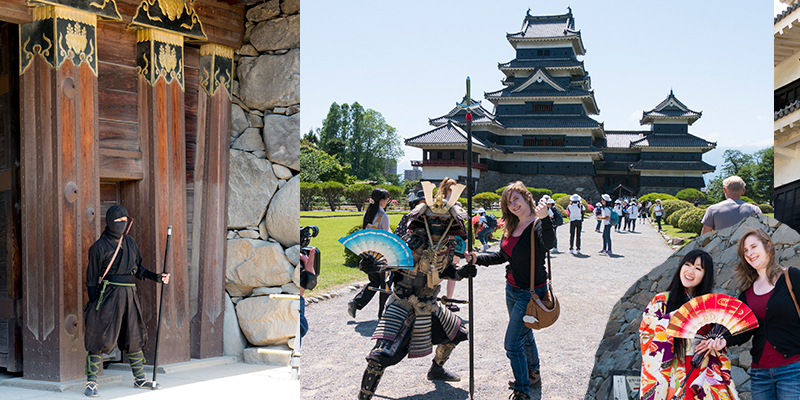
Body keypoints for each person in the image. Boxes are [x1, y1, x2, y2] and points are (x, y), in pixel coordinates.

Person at [357, 178, 476, 400]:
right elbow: (393, 261)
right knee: (380, 355)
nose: (439, 225)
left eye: (444, 221)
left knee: (457, 333)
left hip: (430, 304)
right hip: (403, 303)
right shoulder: (413, 240)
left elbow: (447, 271)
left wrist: (462, 273)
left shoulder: (448, 244)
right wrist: (375, 265)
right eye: (435, 220)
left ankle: (436, 369)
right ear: (424, 219)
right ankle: (364, 396)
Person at [465, 181, 554, 400]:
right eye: (508, 201)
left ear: (527, 198)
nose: (513, 204)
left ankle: (522, 390)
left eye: (516, 199)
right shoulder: (512, 225)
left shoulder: (537, 224)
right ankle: (533, 373)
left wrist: (544, 218)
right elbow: (503, 256)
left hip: (531, 292)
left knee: (512, 344)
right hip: (512, 289)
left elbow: (549, 244)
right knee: (525, 333)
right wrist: (478, 259)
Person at [83, 205, 170, 397]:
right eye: (118, 221)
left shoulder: (130, 242)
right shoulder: (98, 247)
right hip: (108, 296)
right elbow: (91, 279)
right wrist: (93, 302)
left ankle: (140, 379)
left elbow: (138, 269)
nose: (122, 224)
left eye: (125, 221)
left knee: (134, 335)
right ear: (110, 222)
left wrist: (157, 277)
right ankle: (91, 383)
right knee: (99, 336)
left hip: (130, 295)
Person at [639, 249, 738, 400]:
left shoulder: (710, 306)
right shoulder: (662, 301)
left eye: (698, 268)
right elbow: (646, 332)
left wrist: (715, 342)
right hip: (670, 369)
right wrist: (671, 318)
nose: (690, 271)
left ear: (705, 275)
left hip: (701, 369)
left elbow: (721, 337)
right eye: (688, 264)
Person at [720, 228, 800, 400]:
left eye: (753, 247)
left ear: (768, 246)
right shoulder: (746, 293)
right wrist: (723, 340)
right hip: (760, 374)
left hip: (793, 369)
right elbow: (743, 331)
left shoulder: (792, 277)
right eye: (745, 251)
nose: (749, 253)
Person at [348, 188, 392, 320]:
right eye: (386, 199)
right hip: (381, 255)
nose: (388, 201)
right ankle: (382, 313)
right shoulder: (383, 216)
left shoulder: (367, 214)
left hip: (368, 254)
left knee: (374, 282)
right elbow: (387, 236)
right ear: (381, 200)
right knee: (386, 283)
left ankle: (357, 302)